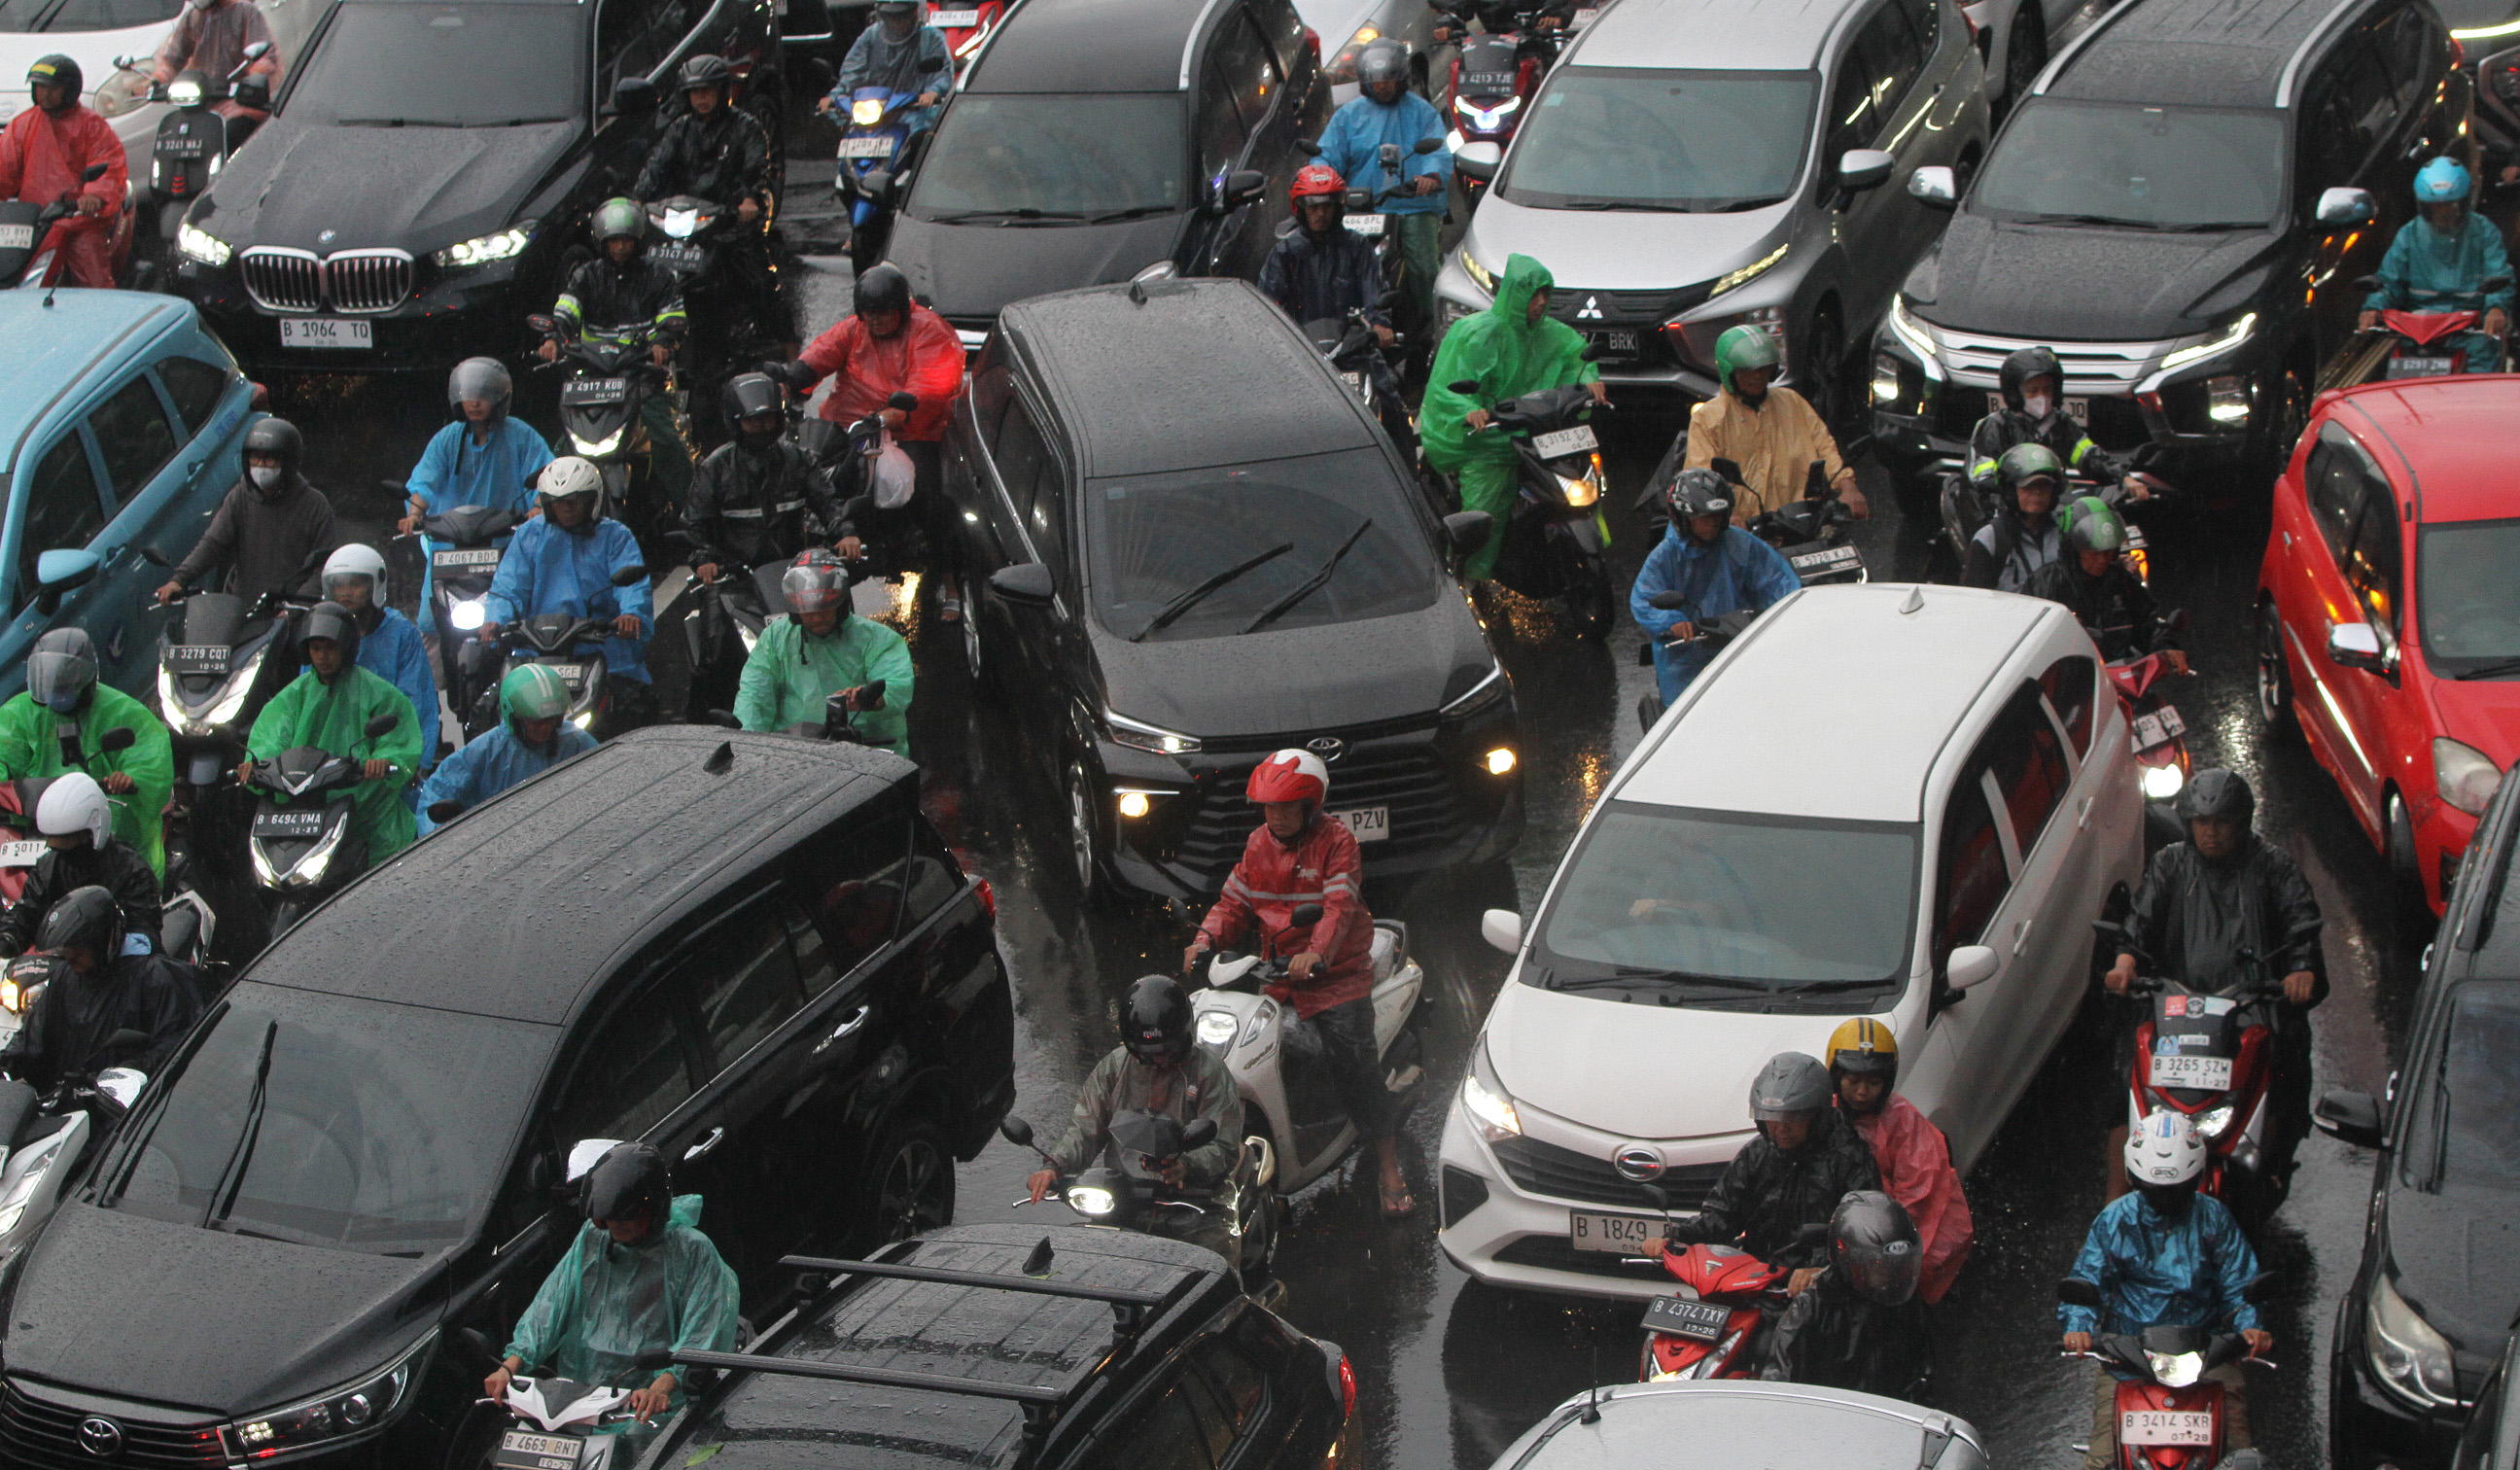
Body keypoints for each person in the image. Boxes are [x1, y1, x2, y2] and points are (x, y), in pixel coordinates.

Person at [1183, 750, 1413, 1217]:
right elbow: (1233, 902)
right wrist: (1204, 939)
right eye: (1268, 807)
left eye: (1285, 807)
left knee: (1355, 1065)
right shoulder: (1256, 845)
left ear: (1311, 806)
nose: (1276, 817)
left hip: (1336, 976)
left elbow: (1338, 908)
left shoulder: (1338, 842)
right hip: (1277, 975)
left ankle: (1389, 1168)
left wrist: (1318, 954)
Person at [2105, 768, 2325, 1194]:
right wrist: (2126, 960)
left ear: (2240, 823)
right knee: (2125, 1086)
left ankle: (2270, 1169)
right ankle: (2116, 1195)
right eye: (2203, 823)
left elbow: (2302, 921)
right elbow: (2140, 919)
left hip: (2251, 1011)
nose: (2212, 834)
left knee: (2282, 1077)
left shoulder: (2273, 866)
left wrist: (2301, 969)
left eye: (2221, 823)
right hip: (2176, 1010)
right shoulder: (2170, 863)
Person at [2061, 1112, 2269, 1470]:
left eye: (2178, 1190)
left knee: (2242, 1458)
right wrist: (2077, 1326)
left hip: (2207, 1358)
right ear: (2135, 1180)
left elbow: (2239, 1281)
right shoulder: (2115, 1220)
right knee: (2102, 1461)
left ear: (2196, 1178)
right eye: (2157, 1192)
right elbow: (2089, 1278)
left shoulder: (2215, 1219)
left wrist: (2249, 1324)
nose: (2167, 1201)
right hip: (2128, 1358)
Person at [485, 1143, 739, 1428]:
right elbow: (551, 1304)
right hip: (580, 1400)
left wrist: (662, 1386)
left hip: (647, 1410)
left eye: (625, 1223)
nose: (615, 1233)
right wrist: (512, 1365)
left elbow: (702, 1334)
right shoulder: (594, 1239)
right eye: (608, 1223)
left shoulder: (692, 1253)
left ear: (650, 1212)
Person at [769, 264, 967, 616]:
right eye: (869, 316)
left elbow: (932, 381)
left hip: (911, 429)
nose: (874, 323)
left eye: (882, 316)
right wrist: (790, 379)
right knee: (811, 482)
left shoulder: (929, 331)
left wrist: (899, 412)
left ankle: (949, 579)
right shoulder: (854, 329)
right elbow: (820, 354)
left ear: (901, 312)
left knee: (928, 501)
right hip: (850, 425)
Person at [1028, 975, 1247, 1270]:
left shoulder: (1210, 1074)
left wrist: (1186, 1165)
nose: (1155, 1062)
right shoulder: (1114, 1069)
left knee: (1215, 1277)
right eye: (1144, 1055)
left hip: (1197, 1203)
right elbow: (1084, 1128)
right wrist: (1053, 1166)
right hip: (1124, 1199)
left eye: (1164, 1053)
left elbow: (1223, 1145)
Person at [1419, 253, 1603, 581]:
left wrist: (1590, 381)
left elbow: (1577, 359)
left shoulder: (1553, 333)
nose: (1540, 302)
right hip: (1488, 440)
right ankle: (1468, 578)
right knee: (1486, 512)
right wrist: (1469, 410)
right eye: (1533, 294)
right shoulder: (1476, 332)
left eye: (1546, 294)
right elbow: (1448, 383)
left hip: (1536, 429)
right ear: (1515, 295)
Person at [1668, 1053, 1881, 1292]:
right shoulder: (1758, 1152)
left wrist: (1821, 1269)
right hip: (1753, 1282)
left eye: (1793, 1117)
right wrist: (1676, 1237)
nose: (1781, 1128)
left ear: (1816, 1115)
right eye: (1771, 1117)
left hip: (1816, 1294)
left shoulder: (1850, 1160)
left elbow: (1863, 1239)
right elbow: (1723, 1214)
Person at [240, 602, 425, 867]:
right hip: (305, 810)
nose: (322, 656)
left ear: (346, 648)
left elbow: (398, 738)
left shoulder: (376, 691)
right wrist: (257, 764)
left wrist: (383, 759)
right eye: (316, 648)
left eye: (330, 648)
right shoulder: (294, 695)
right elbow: (271, 736)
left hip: (366, 815)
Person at [481, 458, 657, 732]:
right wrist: (494, 619)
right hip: (538, 650)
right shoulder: (529, 535)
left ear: (593, 500)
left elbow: (632, 583)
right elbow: (508, 586)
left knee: (634, 719)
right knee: (489, 715)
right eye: (558, 501)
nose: (566, 508)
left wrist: (630, 614)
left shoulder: (615, 536)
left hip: (603, 650)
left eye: (574, 500)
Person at [542, 199, 693, 514]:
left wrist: (662, 343)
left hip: (642, 377)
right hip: (594, 378)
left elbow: (673, 317)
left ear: (638, 241)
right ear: (602, 242)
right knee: (563, 446)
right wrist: (555, 338)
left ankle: (693, 516)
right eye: (614, 241)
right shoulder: (585, 276)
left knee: (666, 438)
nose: (621, 247)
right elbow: (566, 311)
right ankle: (546, 509)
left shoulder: (659, 276)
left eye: (626, 240)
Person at [0, 630, 174, 879]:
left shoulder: (121, 712)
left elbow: (148, 758)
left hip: (107, 828)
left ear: (86, 679)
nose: (56, 695)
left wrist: (129, 779)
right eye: (51, 687)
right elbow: (4, 752)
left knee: (129, 895)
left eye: (64, 687)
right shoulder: (19, 713)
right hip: (37, 825)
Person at [633, 54, 783, 340]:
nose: (701, 98)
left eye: (707, 91)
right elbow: (657, 166)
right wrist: (638, 200)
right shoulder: (679, 129)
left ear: (721, 91)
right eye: (694, 92)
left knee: (760, 285)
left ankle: (783, 350)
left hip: (730, 226)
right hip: (686, 224)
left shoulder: (746, 126)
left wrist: (748, 200)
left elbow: (757, 168)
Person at [1309, 38, 1451, 338]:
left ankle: (1435, 331)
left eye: (1388, 80)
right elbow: (1328, 155)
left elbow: (1438, 153)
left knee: (1423, 268)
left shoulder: (1422, 113)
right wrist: (1318, 177)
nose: (1382, 86)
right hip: (1360, 208)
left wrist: (1431, 177)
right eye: (1375, 81)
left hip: (1411, 206)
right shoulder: (1348, 116)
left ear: (1400, 78)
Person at [1827, 1019, 1972, 1305]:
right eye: (1853, 1081)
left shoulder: (1905, 1123)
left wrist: (1879, 1252)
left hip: (1911, 1223)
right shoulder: (1824, 1116)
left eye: (1873, 1083)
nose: (1861, 1092)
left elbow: (1919, 1196)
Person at [1260, 164, 1408, 445]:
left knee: (1390, 402)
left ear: (1337, 208)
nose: (1320, 214)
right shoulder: (1284, 253)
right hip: (1302, 356)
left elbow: (1375, 291)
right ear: (1300, 208)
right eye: (1312, 207)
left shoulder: (1358, 246)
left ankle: (1409, 475)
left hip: (1354, 352)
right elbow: (1268, 302)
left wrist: (1379, 325)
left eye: (1326, 206)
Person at [0, 887, 201, 1091]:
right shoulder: (66, 977)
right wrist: (7, 1064)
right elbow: (33, 1036)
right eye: (65, 951)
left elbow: (174, 1045)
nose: (71, 958)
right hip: (66, 1106)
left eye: (78, 950)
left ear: (102, 941)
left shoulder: (153, 979)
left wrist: (127, 1073)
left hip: (124, 1111)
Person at [1629, 468, 1799, 708]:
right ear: (1683, 518)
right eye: (1705, 517)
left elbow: (1779, 582)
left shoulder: (1741, 544)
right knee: (1686, 723)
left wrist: (1788, 612)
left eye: (1718, 516)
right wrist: (1671, 622)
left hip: (1741, 640)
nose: (1714, 523)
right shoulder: (1664, 557)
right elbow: (1645, 600)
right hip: (1687, 655)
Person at [398, 358, 556, 602]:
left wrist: (537, 507)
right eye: (468, 395)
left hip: (506, 541)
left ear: (499, 399)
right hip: (450, 544)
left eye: (483, 396)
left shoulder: (521, 436)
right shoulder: (446, 438)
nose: (474, 403)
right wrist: (414, 514)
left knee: (516, 609)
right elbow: (424, 480)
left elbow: (547, 475)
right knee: (431, 621)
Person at [1680, 325, 1869, 526]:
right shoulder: (1708, 419)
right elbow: (1702, 479)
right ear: (1729, 372)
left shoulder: (1792, 402)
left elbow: (1824, 447)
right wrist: (1727, 515)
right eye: (1748, 370)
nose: (1758, 376)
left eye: (1764, 368)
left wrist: (1848, 487)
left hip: (1802, 525)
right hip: (1746, 533)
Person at [732, 551, 912, 753]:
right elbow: (755, 694)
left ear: (841, 604)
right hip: (794, 749)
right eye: (808, 612)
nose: (817, 619)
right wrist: (744, 743)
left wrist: (866, 701)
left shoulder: (878, 638)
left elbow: (896, 688)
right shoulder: (775, 637)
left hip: (866, 747)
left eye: (824, 610)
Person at [1761, 1190, 1930, 1400]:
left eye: (1896, 1266)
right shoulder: (1813, 1307)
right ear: (1849, 1259)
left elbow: (1921, 1374)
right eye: (1877, 1266)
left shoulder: (1906, 1303)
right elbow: (1778, 1382)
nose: (1889, 1276)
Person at [158, 417, 336, 610]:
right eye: (255, 458)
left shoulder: (315, 506)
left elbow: (322, 568)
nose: (261, 465)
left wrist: (295, 608)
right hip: (242, 612)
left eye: (269, 459)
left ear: (288, 461)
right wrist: (180, 579)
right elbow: (213, 543)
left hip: (290, 614)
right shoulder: (239, 497)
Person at [2359, 157, 2512, 373]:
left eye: (2451, 204)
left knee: (2483, 362)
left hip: (2469, 328)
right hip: (2417, 330)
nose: (2444, 212)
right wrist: (2374, 307)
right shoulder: (2408, 235)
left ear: (2465, 201)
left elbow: (2499, 272)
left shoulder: (2484, 231)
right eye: (2436, 207)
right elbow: (2388, 279)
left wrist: (2496, 308)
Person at [417, 666, 595, 836]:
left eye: (551, 720)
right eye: (536, 722)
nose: (545, 728)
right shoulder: (484, 752)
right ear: (515, 718)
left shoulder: (574, 741)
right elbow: (436, 796)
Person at [319, 545, 439, 794]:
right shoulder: (321, 634)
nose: (346, 594)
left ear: (376, 585)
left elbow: (416, 702)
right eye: (339, 585)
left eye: (355, 585)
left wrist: (407, 758)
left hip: (387, 761)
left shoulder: (401, 634)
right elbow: (308, 697)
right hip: (334, 762)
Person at [1966, 345, 2152, 504]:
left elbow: (2089, 456)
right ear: (2015, 393)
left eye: (2047, 389)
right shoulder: (1995, 426)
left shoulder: (2060, 423)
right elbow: (1982, 479)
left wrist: (2124, 478)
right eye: (2033, 390)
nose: (2042, 396)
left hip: (2054, 508)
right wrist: (2013, 493)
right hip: (2009, 514)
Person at [0, 776, 160, 959]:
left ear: (90, 832)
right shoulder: (48, 867)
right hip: (62, 969)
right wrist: (8, 938)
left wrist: (106, 951)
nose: (53, 846)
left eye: (63, 838)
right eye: (50, 838)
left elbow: (145, 933)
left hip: (118, 975)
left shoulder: (131, 869)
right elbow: (26, 913)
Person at [0, 58, 126, 289]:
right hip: (36, 222)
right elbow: (4, 165)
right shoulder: (23, 124)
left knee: (93, 281)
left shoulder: (92, 125)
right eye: (40, 88)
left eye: (52, 88)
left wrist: (94, 196)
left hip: (80, 220)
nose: (44, 95)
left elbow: (107, 164)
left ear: (70, 90)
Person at [2023, 497, 2187, 668]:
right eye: (2093, 551)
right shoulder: (2044, 584)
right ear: (2074, 548)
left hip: (2120, 680)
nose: (2102, 559)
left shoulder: (2121, 580)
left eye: (2108, 550)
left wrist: (2165, 648)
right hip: (2066, 685)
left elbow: (2148, 623)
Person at [821, 0, 951, 134]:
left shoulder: (931, 37)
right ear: (882, 16)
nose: (896, 22)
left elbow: (942, 73)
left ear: (914, 14)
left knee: (921, 138)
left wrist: (933, 93)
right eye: (890, 16)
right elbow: (853, 72)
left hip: (915, 111)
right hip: (873, 110)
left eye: (902, 16)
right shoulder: (870, 36)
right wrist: (835, 95)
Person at [1961, 442, 2067, 592]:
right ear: (2010, 490)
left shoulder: (2065, 532)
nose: (2036, 492)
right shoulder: (1990, 538)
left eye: (2044, 485)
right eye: (2028, 486)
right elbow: (1974, 601)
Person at [150, 0, 279, 114]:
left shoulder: (245, 11)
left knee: (236, 128)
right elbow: (173, 61)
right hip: (201, 100)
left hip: (240, 101)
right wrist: (156, 79)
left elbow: (263, 61)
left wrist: (250, 86)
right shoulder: (192, 17)